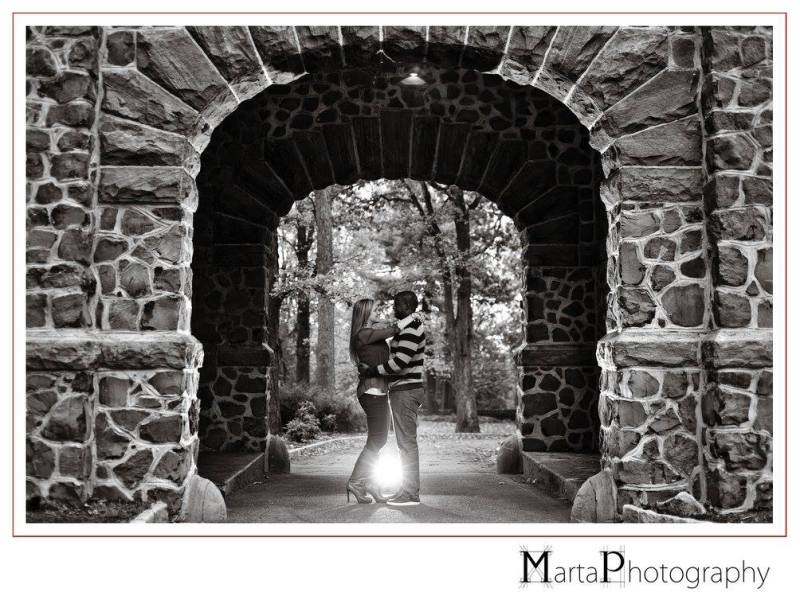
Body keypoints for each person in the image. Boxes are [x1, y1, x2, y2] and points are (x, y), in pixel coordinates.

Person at [359, 290, 426, 506]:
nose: (393, 308)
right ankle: (406, 490)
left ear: (407, 306)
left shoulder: (412, 329)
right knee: (404, 443)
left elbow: (400, 363)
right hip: (402, 390)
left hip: (406, 391)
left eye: (397, 305)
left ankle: (410, 493)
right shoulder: (408, 326)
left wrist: (372, 371)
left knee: (407, 443)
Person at [346, 298, 400, 504]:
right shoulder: (363, 334)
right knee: (377, 440)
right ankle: (357, 482)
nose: (380, 311)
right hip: (371, 392)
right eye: (376, 308)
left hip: (378, 391)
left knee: (378, 440)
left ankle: (370, 484)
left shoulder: (371, 336)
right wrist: (408, 321)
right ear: (366, 312)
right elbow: (391, 330)